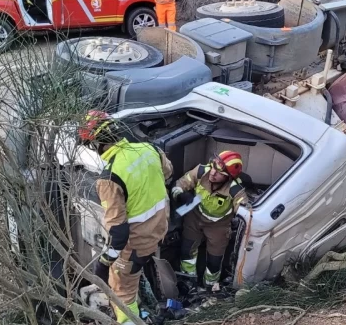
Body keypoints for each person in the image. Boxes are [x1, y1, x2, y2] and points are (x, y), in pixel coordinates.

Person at [78, 110, 173, 324]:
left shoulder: (109, 178)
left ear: (96, 144)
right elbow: (168, 173)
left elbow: (119, 234)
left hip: (135, 244)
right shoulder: (150, 149)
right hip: (159, 229)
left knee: (122, 292)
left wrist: (104, 264)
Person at [171, 151, 249, 289]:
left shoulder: (235, 189)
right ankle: (188, 281)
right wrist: (180, 196)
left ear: (228, 177)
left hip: (219, 225)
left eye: (219, 173)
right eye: (213, 167)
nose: (212, 173)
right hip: (195, 217)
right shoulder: (201, 171)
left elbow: (245, 210)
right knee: (187, 251)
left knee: (214, 261)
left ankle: (210, 287)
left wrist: (242, 215)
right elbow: (179, 184)